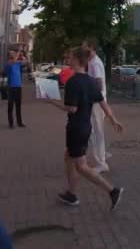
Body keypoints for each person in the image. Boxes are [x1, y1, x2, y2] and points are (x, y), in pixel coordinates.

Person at [45, 47, 124, 210]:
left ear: (78, 61)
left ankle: (112, 191)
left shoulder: (73, 82)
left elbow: (71, 108)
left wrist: (50, 101)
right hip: (84, 127)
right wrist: (114, 120)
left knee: (81, 166)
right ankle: (71, 193)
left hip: (75, 128)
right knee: (69, 156)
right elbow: (103, 103)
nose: (68, 60)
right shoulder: (90, 81)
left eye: (71, 57)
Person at [82, 38, 109, 173]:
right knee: (94, 131)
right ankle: (101, 155)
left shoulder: (94, 63)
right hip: (96, 101)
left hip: (97, 102)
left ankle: (101, 161)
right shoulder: (92, 62)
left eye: (84, 46)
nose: (83, 49)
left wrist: (92, 96)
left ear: (91, 47)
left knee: (97, 131)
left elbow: (99, 84)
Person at [3, 49, 27, 129]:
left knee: (18, 106)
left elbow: (25, 62)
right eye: (12, 54)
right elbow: (12, 62)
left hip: (18, 87)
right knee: (10, 106)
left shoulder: (17, 63)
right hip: (11, 88)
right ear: (9, 56)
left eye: (14, 53)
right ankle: (11, 123)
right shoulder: (8, 64)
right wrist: (19, 52)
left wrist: (23, 55)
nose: (14, 54)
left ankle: (19, 123)